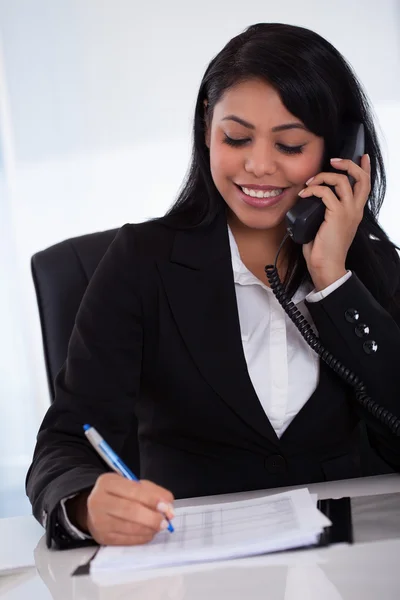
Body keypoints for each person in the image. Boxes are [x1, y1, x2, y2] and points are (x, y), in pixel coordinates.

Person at [26, 22, 400, 550]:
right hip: (193, 571)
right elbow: (65, 441)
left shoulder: (375, 272)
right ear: (207, 129)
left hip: (351, 571)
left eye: (291, 144)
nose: (259, 166)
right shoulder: (142, 263)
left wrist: (333, 282)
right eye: (237, 137)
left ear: (339, 150)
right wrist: (85, 504)